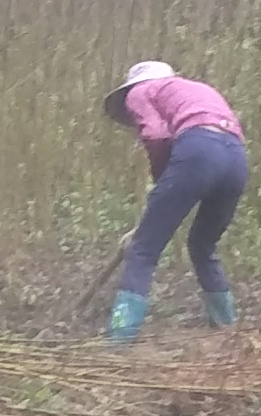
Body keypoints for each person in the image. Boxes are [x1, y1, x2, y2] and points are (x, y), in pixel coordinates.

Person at [102, 60, 248, 341]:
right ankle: (227, 331)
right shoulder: (196, 89)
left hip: (199, 152)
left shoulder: (140, 92)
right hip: (236, 159)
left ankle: (119, 341)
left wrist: (163, 182)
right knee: (202, 246)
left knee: (143, 250)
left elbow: (156, 135)